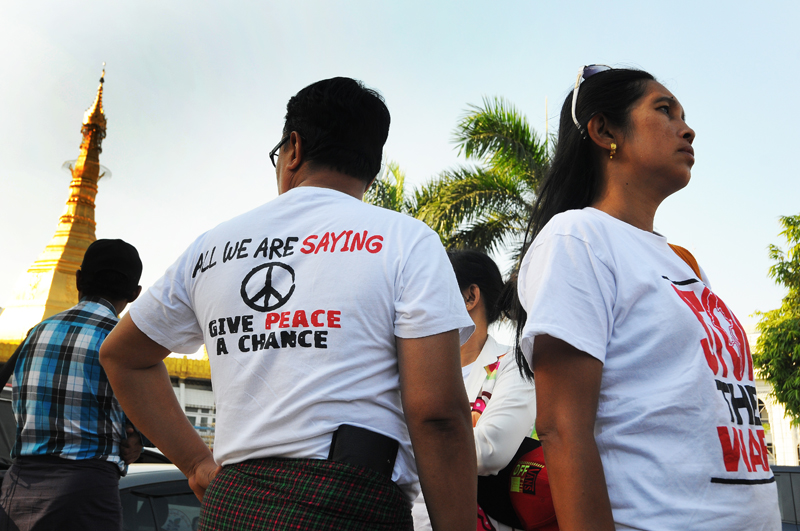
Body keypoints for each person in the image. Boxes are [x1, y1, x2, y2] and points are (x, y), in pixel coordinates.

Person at [100, 77, 477, 531]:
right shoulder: (405, 241)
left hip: (231, 506)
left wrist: (197, 464)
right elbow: (437, 414)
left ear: (293, 148)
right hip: (351, 505)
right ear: (371, 169)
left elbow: (121, 355)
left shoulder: (210, 249)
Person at [515, 65, 780, 530]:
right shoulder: (578, 238)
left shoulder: (684, 263)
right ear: (603, 130)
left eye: (683, 114)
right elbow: (562, 427)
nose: (687, 126)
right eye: (664, 110)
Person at [0, 239, 144, 531]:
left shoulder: (35, 332)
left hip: (18, 489)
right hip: (86, 491)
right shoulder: (126, 342)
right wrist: (135, 439)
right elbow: (144, 421)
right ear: (134, 293)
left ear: (78, 279)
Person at [413, 250, 536, 531]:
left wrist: (404, 446)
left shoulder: (512, 365)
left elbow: (491, 449)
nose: (419, 304)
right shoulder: (414, 370)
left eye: (433, 290)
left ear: (470, 297)